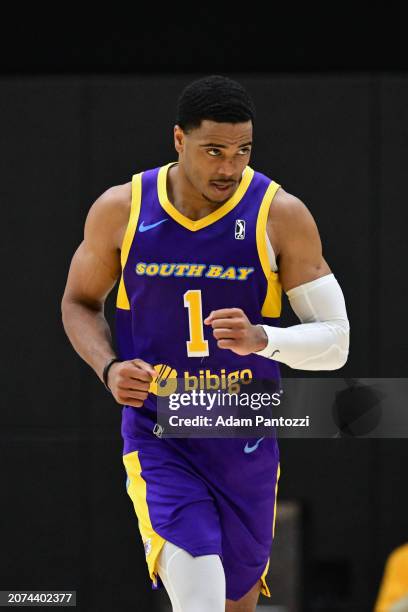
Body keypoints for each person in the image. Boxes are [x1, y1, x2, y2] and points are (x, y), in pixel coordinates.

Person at [61, 74, 350, 612]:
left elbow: (337, 343)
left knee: (233, 603)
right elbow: (78, 302)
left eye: (242, 150)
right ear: (178, 139)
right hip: (161, 431)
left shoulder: (279, 214)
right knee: (199, 595)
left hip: (244, 431)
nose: (228, 166)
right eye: (213, 150)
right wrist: (108, 367)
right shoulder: (122, 208)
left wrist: (265, 338)